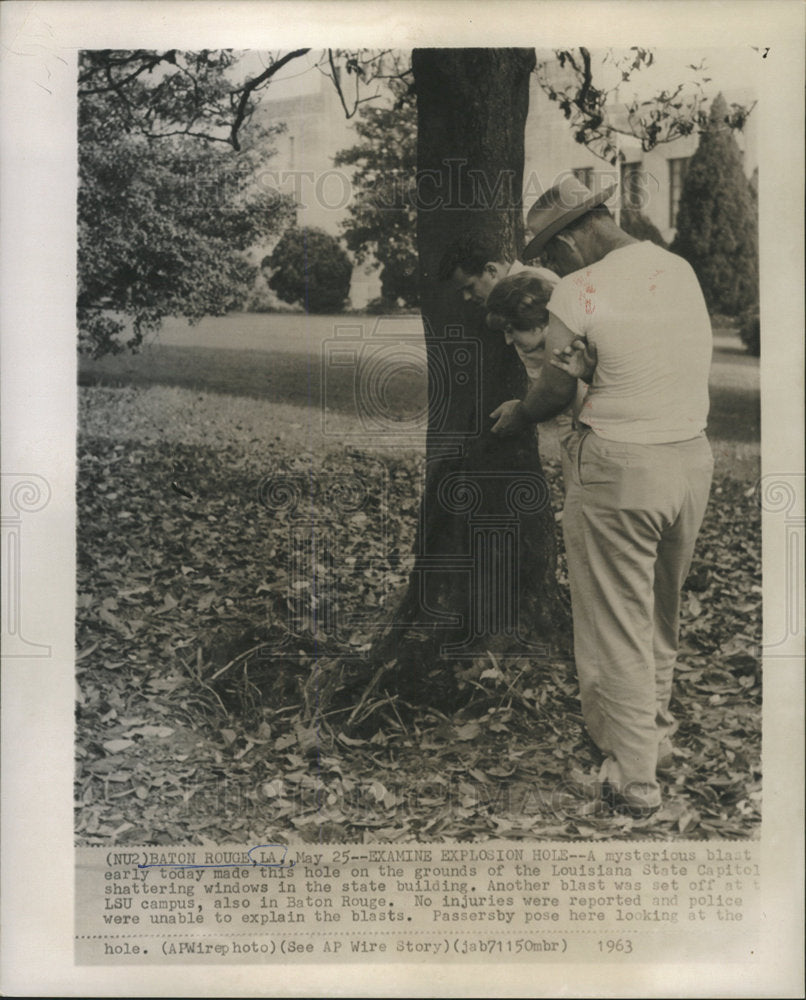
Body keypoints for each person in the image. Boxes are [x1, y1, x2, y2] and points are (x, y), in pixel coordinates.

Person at [490, 175, 714, 817]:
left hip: (620, 465)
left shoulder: (580, 288)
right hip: (691, 458)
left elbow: (558, 389)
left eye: (553, 249)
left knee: (615, 620)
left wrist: (520, 414)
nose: (553, 264)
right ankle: (654, 738)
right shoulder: (678, 269)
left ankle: (637, 777)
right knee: (659, 612)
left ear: (579, 232)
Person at [485, 271, 595, 483]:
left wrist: (522, 412)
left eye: (511, 330)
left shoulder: (576, 352)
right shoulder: (564, 351)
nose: (508, 340)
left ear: (536, 322)